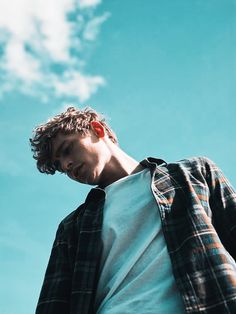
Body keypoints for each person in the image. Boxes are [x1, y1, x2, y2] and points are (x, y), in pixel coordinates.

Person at [30, 106, 236, 314]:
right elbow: (53, 305)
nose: (66, 165)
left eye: (67, 149)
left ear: (97, 130)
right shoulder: (73, 226)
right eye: (59, 165)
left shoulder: (193, 173)